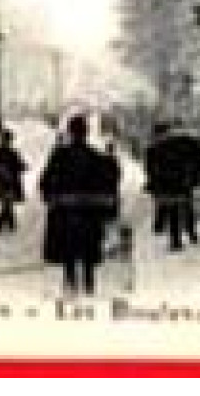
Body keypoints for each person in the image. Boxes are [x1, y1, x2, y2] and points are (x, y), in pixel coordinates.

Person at [40, 113, 121, 297]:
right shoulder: (96, 157)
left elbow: (45, 182)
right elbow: (110, 182)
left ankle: (70, 286)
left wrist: (51, 198)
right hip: (89, 213)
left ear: (70, 132)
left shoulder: (59, 156)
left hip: (66, 212)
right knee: (88, 252)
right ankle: (89, 286)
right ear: (86, 132)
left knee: (68, 252)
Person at [145, 121, 200, 250]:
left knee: (174, 208)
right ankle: (189, 233)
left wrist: (154, 182)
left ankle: (177, 239)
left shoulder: (156, 147)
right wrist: (195, 176)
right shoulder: (188, 141)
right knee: (185, 206)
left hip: (170, 182)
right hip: (183, 181)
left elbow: (151, 167)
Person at [0, 126, 27, 234]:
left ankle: (6, 224)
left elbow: (20, 166)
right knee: (7, 203)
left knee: (7, 203)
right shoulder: (6, 153)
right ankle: (3, 224)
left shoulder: (1, 153)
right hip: (5, 183)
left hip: (6, 183)